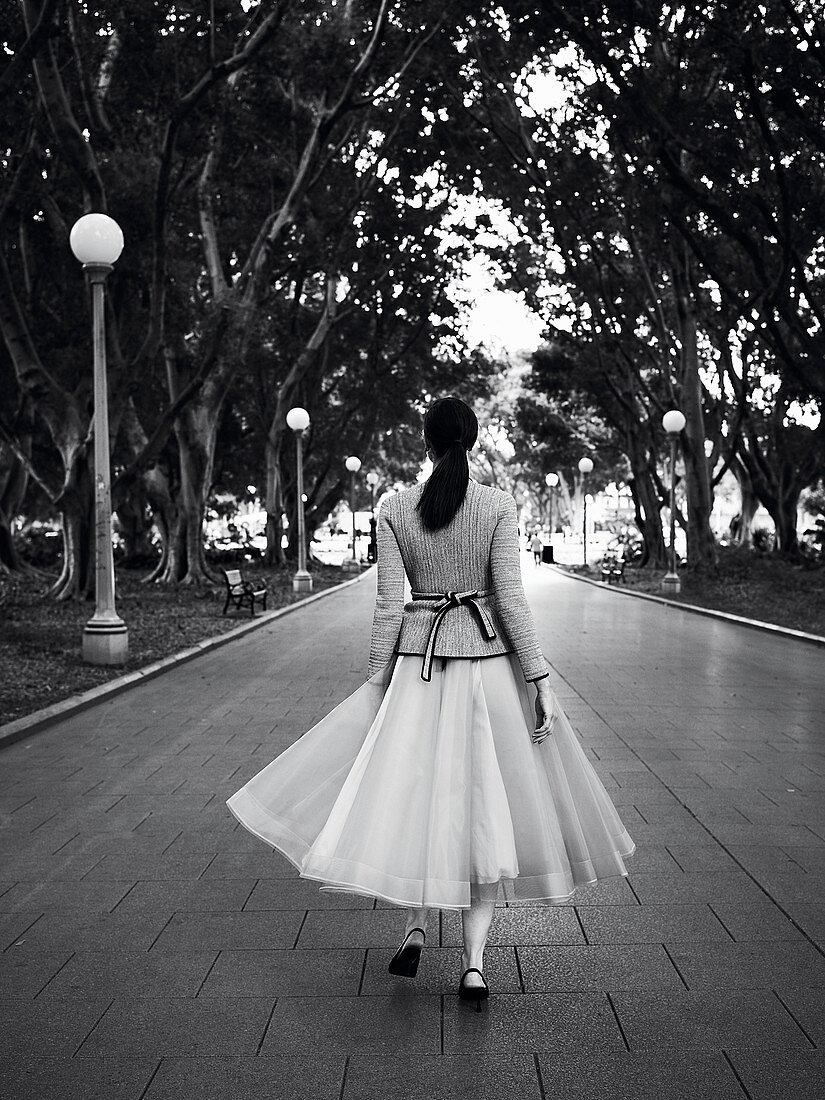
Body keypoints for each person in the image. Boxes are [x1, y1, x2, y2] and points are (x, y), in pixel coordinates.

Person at [226, 396, 635, 1011]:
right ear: (472, 441)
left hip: (419, 670)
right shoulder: (498, 506)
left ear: (425, 442)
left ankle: (415, 931)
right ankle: (473, 968)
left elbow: (389, 603)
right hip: (490, 671)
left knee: (418, 799)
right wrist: (540, 678)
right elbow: (512, 602)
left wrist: (375, 678)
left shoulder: (394, 508)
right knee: (483, 811)